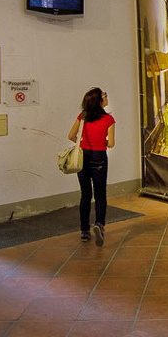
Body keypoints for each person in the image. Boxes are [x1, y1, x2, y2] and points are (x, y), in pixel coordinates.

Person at [67, 87, 115, 245]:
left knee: (85, 194)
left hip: (83, 157)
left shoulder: (83, 116)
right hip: (99, 157)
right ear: (100, 101)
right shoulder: (109, 120)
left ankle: (84, 231)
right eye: (105, 96)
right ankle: (99, 225)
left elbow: (71, 136)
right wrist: (102, 142)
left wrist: (82, 144)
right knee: (100, 194)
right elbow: (112, 144)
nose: (107, 98)